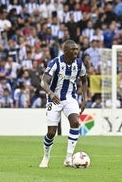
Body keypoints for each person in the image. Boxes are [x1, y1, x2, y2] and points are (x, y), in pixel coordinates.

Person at [39, 40, 88, 168]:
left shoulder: (79, 64)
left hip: (70, 98)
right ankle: (46, 157)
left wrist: (85, 98)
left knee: (75, 122)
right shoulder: (55, 63)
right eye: (73, 49)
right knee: (51, 132)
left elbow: (84, 80)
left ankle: (68, 158)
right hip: (54, 99)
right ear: (65, 51)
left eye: (77, 49)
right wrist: (50, 93)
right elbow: (43, 82)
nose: (76, 52)